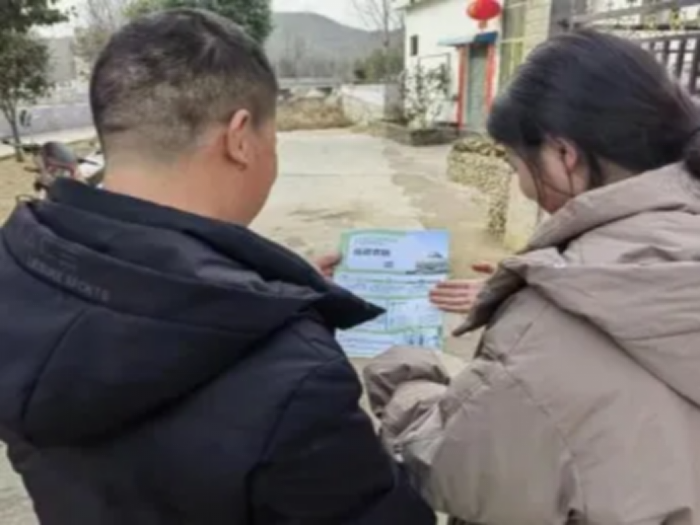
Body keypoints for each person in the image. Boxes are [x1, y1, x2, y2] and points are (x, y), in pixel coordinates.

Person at [0, 9, 435, 525]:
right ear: (240, 138)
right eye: (274, 139)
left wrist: (254, 288)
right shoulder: (295, 374)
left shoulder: (19, 275)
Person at [364, 28, 700, 525]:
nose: (521, 183)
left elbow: (453, 467)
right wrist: (558, 283)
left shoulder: (546, 329)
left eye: (515, 163)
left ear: (564, 155)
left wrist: (404, 377)